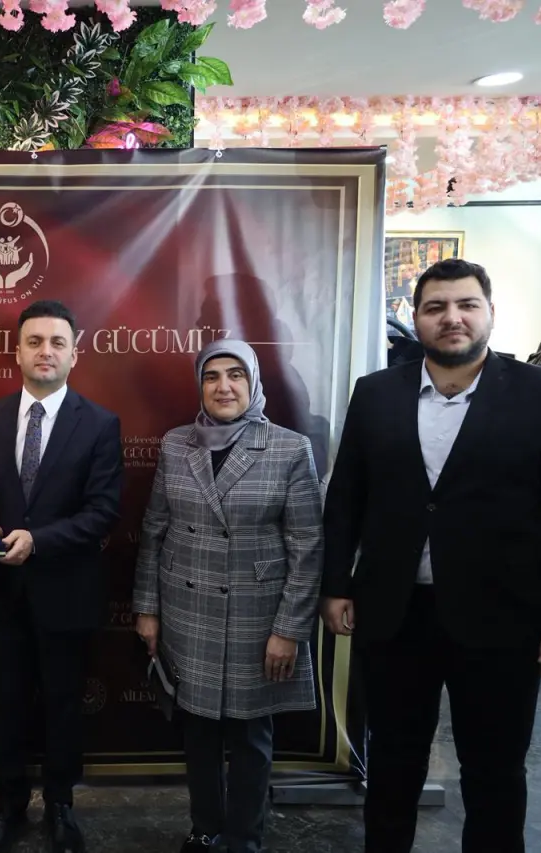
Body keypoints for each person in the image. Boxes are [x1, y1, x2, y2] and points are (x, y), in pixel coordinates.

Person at [321, 258, 541, 853]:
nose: (452, 317)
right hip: (395, 613)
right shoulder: (376, 393)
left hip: (503, 618)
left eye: (467, 304)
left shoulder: (537, 394)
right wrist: (336, 584)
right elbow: (346, 496)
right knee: (392, 766)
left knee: (495, 773)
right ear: (415, 318)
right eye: (436, 307)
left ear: (490, 313)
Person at [132, 339, 324, 853]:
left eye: (235, 375)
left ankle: (243, 838)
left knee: (250, 738)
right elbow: (153, 530)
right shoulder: (177, 444)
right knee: (197, 732)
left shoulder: (288, 448)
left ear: (253, 382)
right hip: (186, 612)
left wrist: (289, 630)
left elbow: (307, 547)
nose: (223, 386)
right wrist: (147, 608)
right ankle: (205, 828)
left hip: (256, 620)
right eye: (211, 376)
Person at [0, 299, 123, 853]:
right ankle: (8, 807)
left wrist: (38, 541)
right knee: (6, 706)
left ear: (75, 354)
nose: (46, 351)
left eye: (58, 342)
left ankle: (60, 807)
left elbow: (103, 512)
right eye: (35, 341)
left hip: (67, 594)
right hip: (3, 595)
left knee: (63, 706)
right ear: (17, 352)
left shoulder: (100, 423)